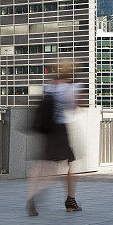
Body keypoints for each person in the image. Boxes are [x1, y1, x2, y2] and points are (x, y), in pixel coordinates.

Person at [27, 61, 82, 216]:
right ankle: (70, 200)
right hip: (61, 128)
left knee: (41, 163)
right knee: (71, 164)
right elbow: (72, 106)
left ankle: (31, 198)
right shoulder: (72, 86)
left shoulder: (49, 85)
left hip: (47, 129)